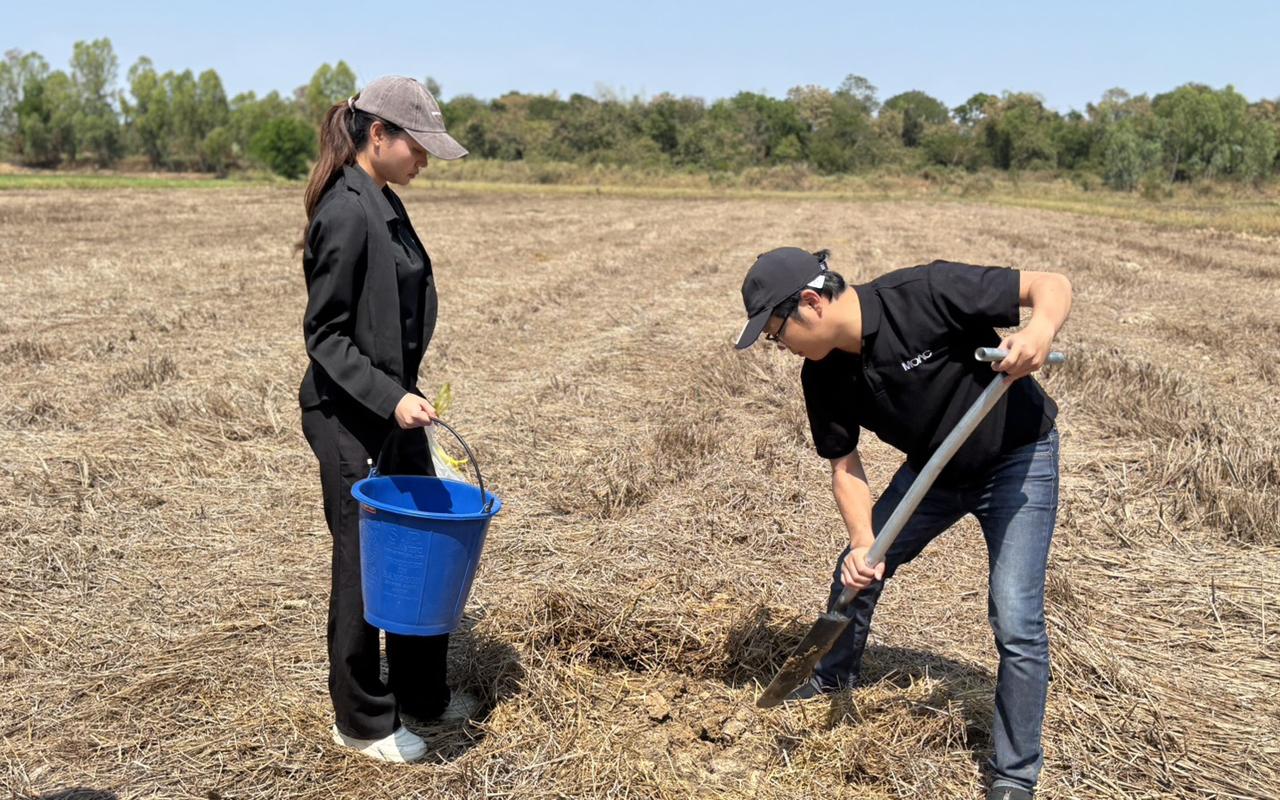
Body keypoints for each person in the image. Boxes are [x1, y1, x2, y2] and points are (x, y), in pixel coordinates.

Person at [734, 247, 1072, 800]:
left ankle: (1014, 777)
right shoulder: (823, 376)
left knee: (1014, 616)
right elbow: (845, 466)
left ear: (811, 303)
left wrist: (1040, 329)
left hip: (1018, 458)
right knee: (854, 572)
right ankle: (830, 676)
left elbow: (1049, 282)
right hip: (934, 471)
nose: (779, 347)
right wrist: (865, 544)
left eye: (776, 333)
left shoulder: (925, 293)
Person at [298, 76, 470, 763]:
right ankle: (363, 721)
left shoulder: (383, 200)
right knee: (365, 566)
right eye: (419, 147)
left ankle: (422, 695)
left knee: (416, 550)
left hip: (390, 411)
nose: (424, 160)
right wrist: (388, 396)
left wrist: (405, 401)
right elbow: (327, 334)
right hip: (349, 417)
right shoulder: (344, 211)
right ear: (379, 136)